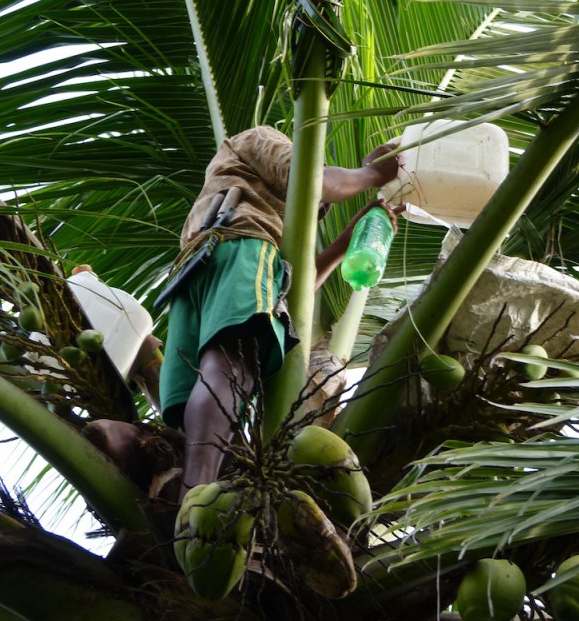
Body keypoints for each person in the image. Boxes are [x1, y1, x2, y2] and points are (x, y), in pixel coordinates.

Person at [159, 126, 401, 503]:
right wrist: (372, 174)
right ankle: (196, 500)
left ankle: (200, 492)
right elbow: (310, 181)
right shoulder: (259, 138)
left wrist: (343, 243)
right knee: (233, 365)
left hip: (196, 272)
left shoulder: (251, 214)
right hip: (239, 249)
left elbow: (288, 292)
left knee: (214, 385)